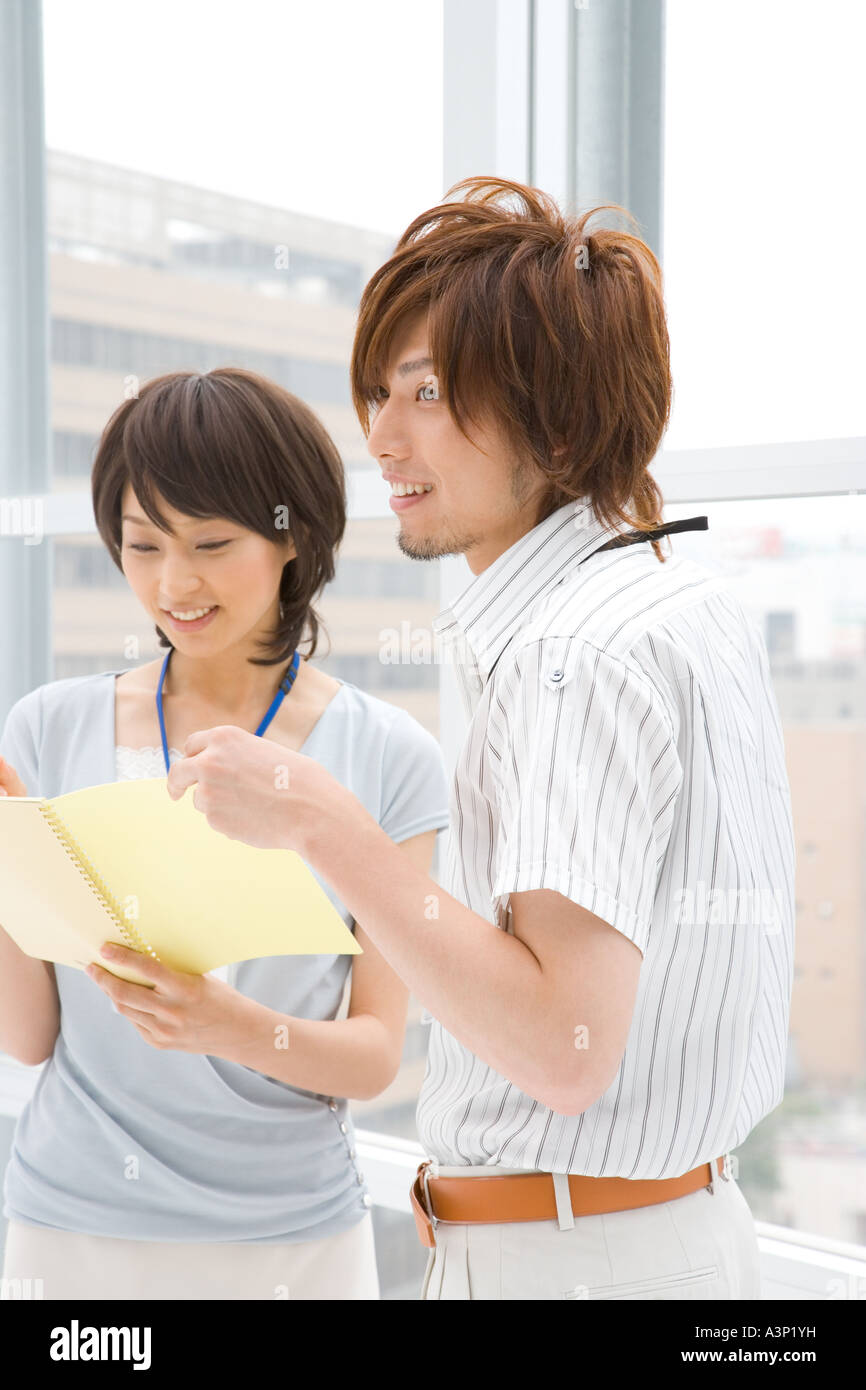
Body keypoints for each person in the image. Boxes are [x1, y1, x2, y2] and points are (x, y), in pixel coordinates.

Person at [157, 176, 796, 1301]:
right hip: (663, 1239)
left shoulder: (572, 652)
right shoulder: (675, 599)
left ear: (554, 414)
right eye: (377, 391)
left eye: (429, 394)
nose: (379, 434)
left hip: (572, 1261)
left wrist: (319, 820)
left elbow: (564, 1049)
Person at [0, 366, 450, 1300]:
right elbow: (30, 1035)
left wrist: (230, 1027)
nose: (174, 583)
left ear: (295, 540)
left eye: (212, 542)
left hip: (289, 1242)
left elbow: (372, 1056)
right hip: (73, 1228)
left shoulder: (387, 754)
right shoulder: (48, 728)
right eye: (141, 545)